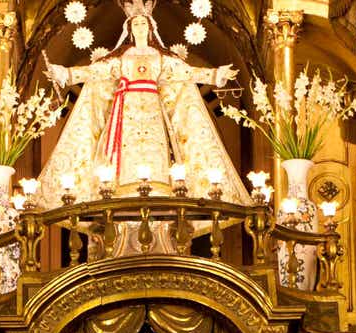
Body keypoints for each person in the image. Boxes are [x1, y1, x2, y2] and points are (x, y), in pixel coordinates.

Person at [37, 0, 248, 204]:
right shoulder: (122, 57)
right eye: (136, 24)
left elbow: (185, 72)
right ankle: (124, 187)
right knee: (128, 146)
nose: (139, 27)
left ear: (150, 28)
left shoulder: (160, 56)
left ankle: (159, 186)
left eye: (143, 24)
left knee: (155, 145)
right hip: (127, 109)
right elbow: (96, 71)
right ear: (129, 29)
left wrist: (215, 75)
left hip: (153, 108)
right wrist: (64, 73)